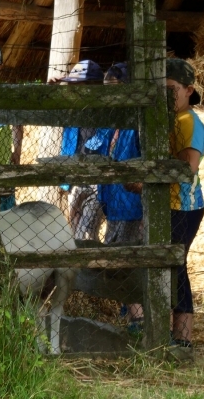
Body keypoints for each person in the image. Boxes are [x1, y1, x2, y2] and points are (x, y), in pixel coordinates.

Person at [85, 63, 144, 333]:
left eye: (114, 89)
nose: (109, 95)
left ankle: (137, 316)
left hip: (131, 204)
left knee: (125, 259)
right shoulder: (112, 120)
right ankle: (127, 310)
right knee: (115, 255)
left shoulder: (137, 122)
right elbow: (93, 145)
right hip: (112, 202)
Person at [166, 58, 204, 349]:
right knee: (170, 266)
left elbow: (189, 167)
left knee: (176, 266)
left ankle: (183, 337)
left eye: (172, 89)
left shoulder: (189, 122)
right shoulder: (172, 119)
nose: (166, 95)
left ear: (189, 90)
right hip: (169, 204)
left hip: (184, 206)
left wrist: (148, 178)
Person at [56, 59, 105, 240]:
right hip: (74, 178)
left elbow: (103, 141)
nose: (74, 89)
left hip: (96, 181)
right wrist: (52, 89)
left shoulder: (106, 110)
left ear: (93, 86)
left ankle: (88, 268)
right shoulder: (73, 108)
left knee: (85, 234)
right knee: (74, 227)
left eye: (79, 85)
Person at [0, 43, 23, 211]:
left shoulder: (5, 94)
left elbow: (17, 122)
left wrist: (17, 150)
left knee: (5, 215)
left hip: (2, 166)